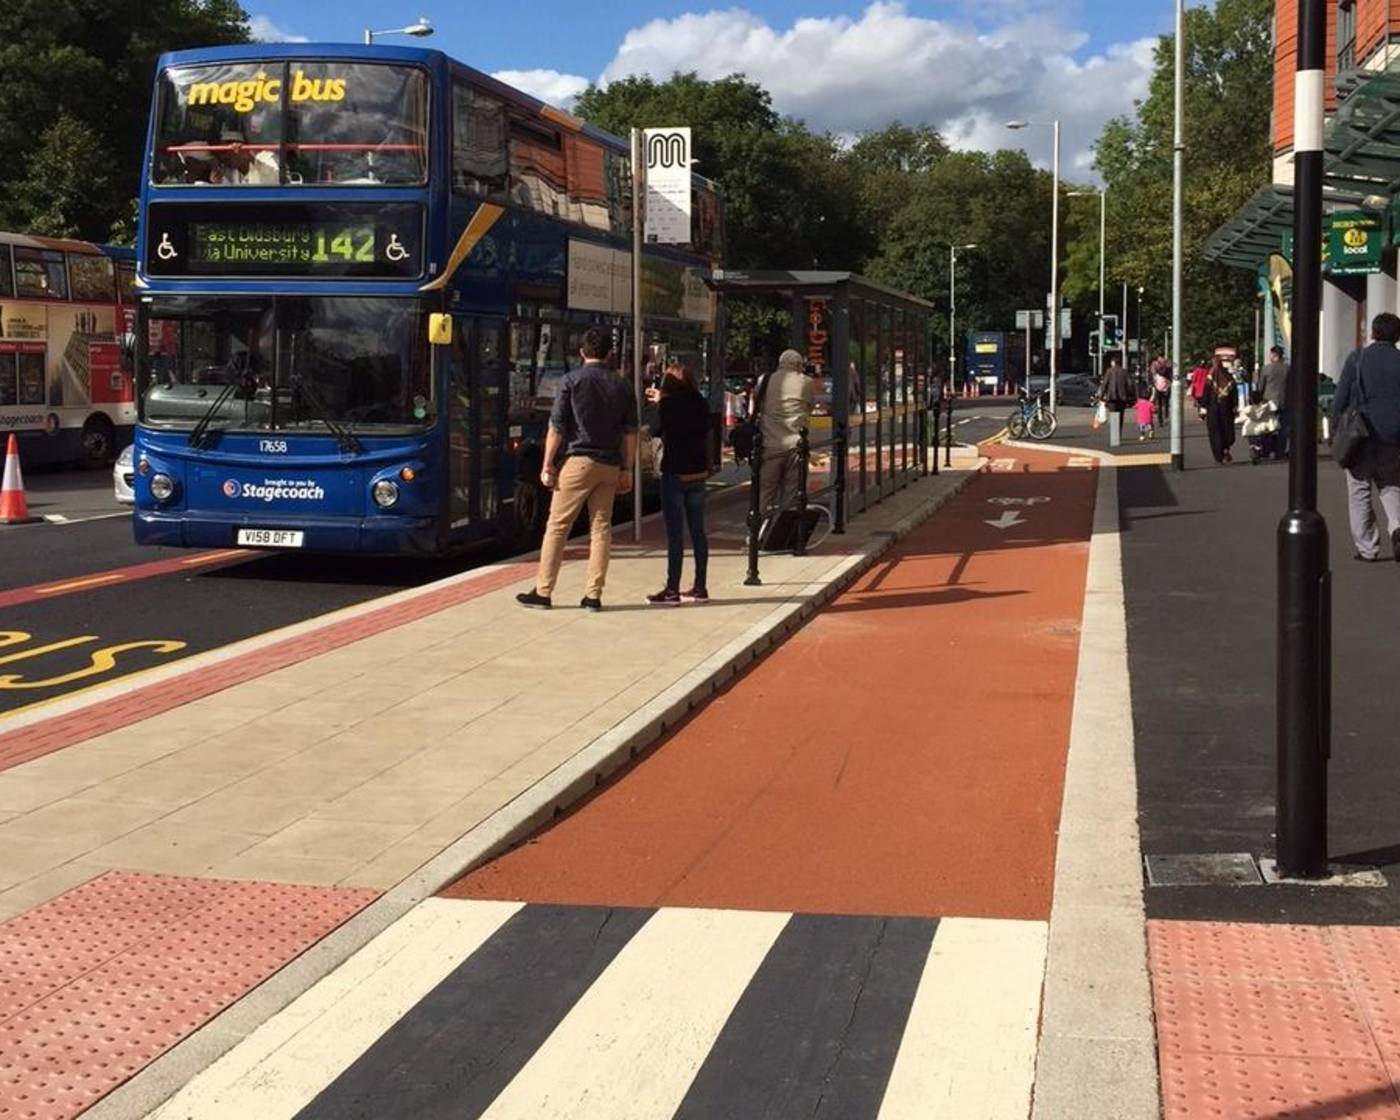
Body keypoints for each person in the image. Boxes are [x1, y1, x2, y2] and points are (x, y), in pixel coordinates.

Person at [517, 328, 637, 611]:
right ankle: (593, 595)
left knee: (558, 527)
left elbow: (557, 427)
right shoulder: (622, 385)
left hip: (578, 462)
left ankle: (543, 591)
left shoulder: (570, 381)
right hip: (609, 464)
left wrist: (547, 464)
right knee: (601, 529)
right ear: (610, 354)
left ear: (582, 352)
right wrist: (627, 468)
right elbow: (630, 432)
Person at [1332, 312, 1400, 562]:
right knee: (1392, 485)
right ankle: (1397, 526)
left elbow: (1340, 399)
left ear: (1373, 333)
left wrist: (1335, 427)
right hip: (1393, 436)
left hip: (1361, 434)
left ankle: (1367, 548)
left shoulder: (1358, 359)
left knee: (1359, 490)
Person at [643, 358, 712, 605]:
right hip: (698, 473)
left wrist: (658, 403)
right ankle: (700, 587)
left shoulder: (668, 405)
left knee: (675, 534)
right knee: (698, 532)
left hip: (674, 472)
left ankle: (672, 589)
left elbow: (653, 430)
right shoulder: (701, 403)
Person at [758, 349, 814, 511]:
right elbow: (809, 406)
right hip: (795, 445)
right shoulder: (806, 382)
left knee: (765, 491)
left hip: (770, 444)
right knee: (791, 493)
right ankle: (782, 530)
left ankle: (757, 531)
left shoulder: (765, 380)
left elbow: (759, 404)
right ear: (798, 365)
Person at [204, 129, 280, 186]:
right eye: (224, 154)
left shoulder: (267, 157)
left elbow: (279, 180)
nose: (226, 158)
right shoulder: (234, 172)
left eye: (229, 153)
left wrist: (251, 160)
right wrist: (218, 182)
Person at [1257, 345, 1290, 459]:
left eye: (1271, 354)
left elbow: (1260, 387)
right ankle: (1280, 452)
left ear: (1274, 355)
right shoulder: (1288, 368)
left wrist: (1258, 400)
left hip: (1269, 402)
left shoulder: (1266, 369)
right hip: (1284, 401)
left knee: (1267, 427)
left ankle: (1266, 451)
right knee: (1283, 428)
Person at [1203, 356, 1238, 464]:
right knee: (1226, 430)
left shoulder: (1210, 379)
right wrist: (1234, 406)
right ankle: (1226, 448)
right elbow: (1234, 396)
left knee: (1215, 432)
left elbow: (1205, 396)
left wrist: (1204, 406)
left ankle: (1219, 455)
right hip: (1226, 410)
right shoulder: (1229, 378)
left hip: (1213, 410)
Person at [1240, 392, 1280, 464]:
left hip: (1250, 429)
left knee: (1253, 441)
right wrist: (1269, 401)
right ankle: (1262, 452)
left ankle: (1254, 449)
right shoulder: (1266, 407)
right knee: (1266, 440)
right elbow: (1275, 408)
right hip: (1263, 428)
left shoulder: (1248, 409)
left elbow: (1242, 418)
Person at [1098, 359, 1135, 435]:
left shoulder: (1109, 371)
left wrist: (1101, 396)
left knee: (1113, 415)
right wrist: (1131, 396)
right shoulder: (1125, 372)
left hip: (1111, 397)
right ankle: (1118, 433)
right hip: (1122, 398)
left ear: (1113, 363)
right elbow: (1130, 385)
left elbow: (1104, 384)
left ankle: (1114, 434)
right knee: (1121, 416)